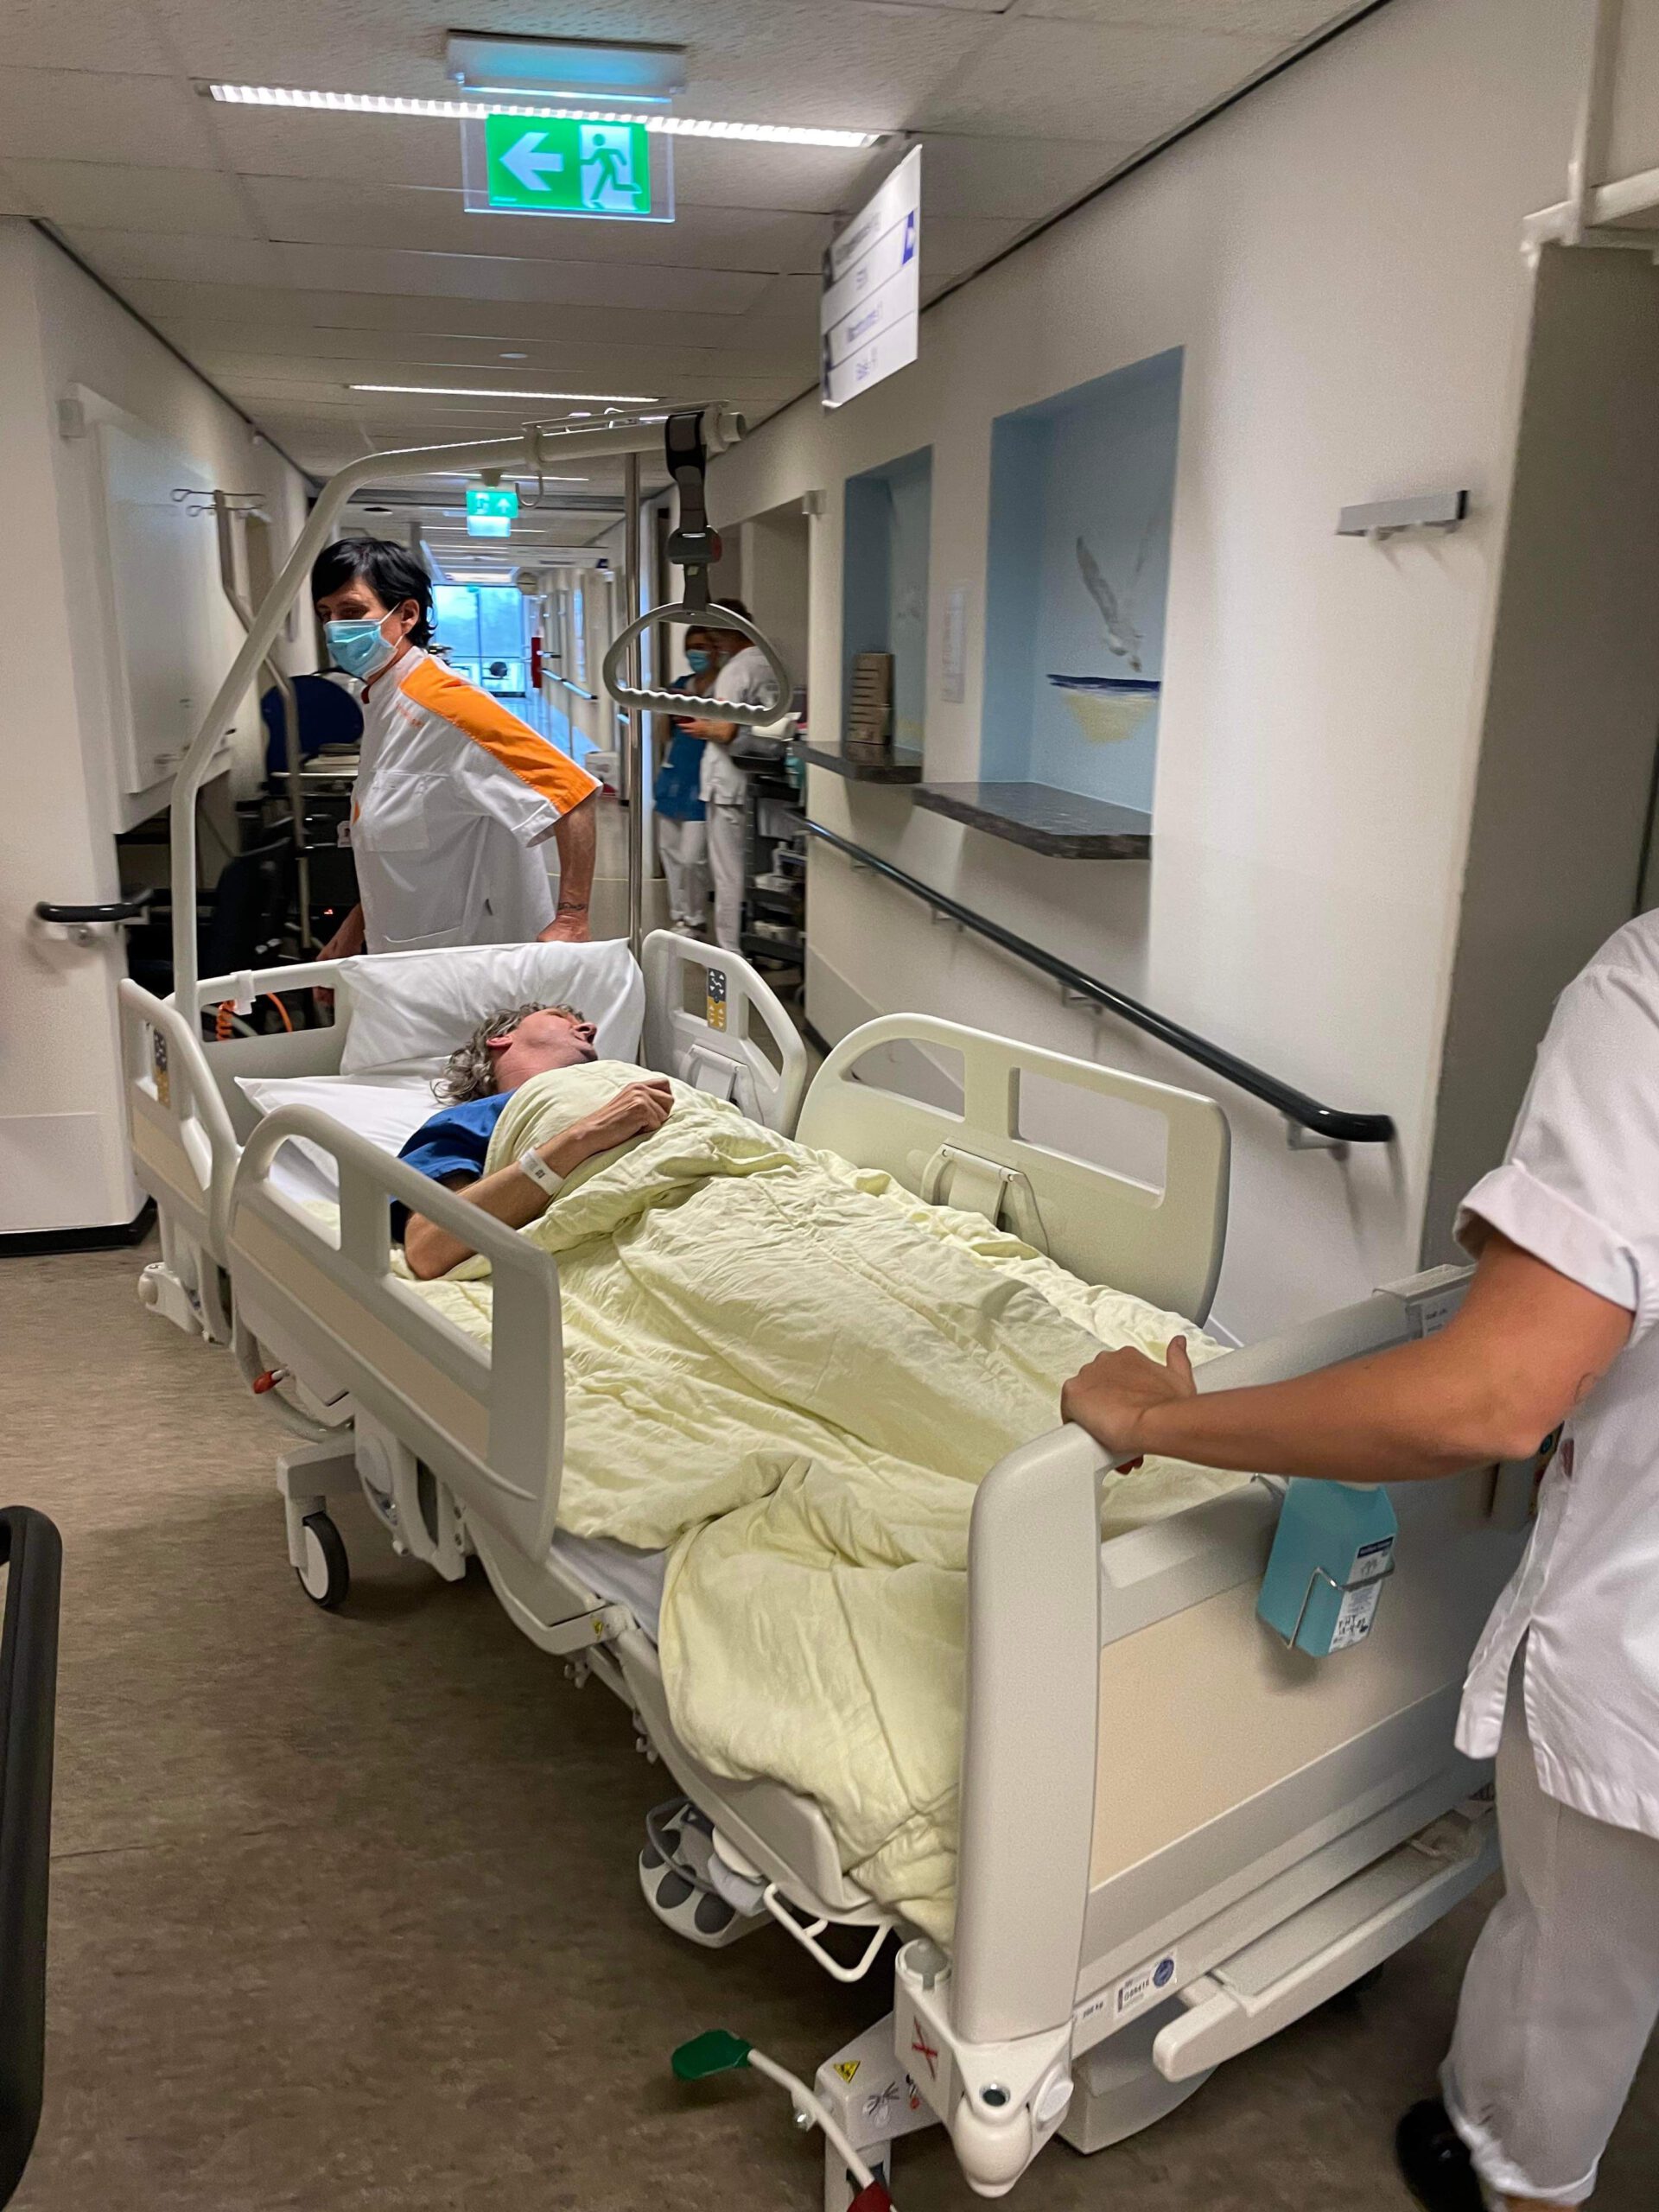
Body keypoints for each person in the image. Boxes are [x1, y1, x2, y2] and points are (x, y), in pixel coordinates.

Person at [1060, 911, 1659, 2212]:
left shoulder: (1651, 988)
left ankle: (1516, 2177)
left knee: (1580, 1968)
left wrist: (1161, 1420)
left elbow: (1491, 1394)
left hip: (1643, 1652)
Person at [311, 539, 598, 960]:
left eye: (351, 612)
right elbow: (403, 855)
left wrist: (572, 920)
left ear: (407, 615)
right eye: (326, 614)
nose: (335, 628)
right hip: (411, 955)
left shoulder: (444, 704)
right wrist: (355, 929)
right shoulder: (383, 699)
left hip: (475, 963)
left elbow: (573, 794)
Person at [395, 1001, 671, 1281]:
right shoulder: (470, 1119)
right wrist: (583, 1138)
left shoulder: (632, 1084)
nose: (590, 1029)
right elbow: (429, 1248)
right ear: (501, 1038)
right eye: (560, 1017)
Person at [679, 598, 782, 954]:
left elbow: (725, 731)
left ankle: (729, 950)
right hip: (755, 780)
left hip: (727, 783)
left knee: (728, 873)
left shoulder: (736, 670)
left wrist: (700, 727)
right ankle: (755, 943)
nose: (713, 644)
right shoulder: (768, 662)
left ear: (725, 632)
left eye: (714, 636)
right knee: (753, 867)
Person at [652, 625, 721, 937]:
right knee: (670, 852)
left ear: (716, 650)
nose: (696, 653)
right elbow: (664, 735)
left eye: (703, 646)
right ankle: (679, 915)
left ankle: (695, 917)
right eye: (692, 646)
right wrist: (666, 709)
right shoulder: (679, 686)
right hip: (674, 776)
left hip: (703, 781)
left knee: (692, 858)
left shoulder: (723, 688)